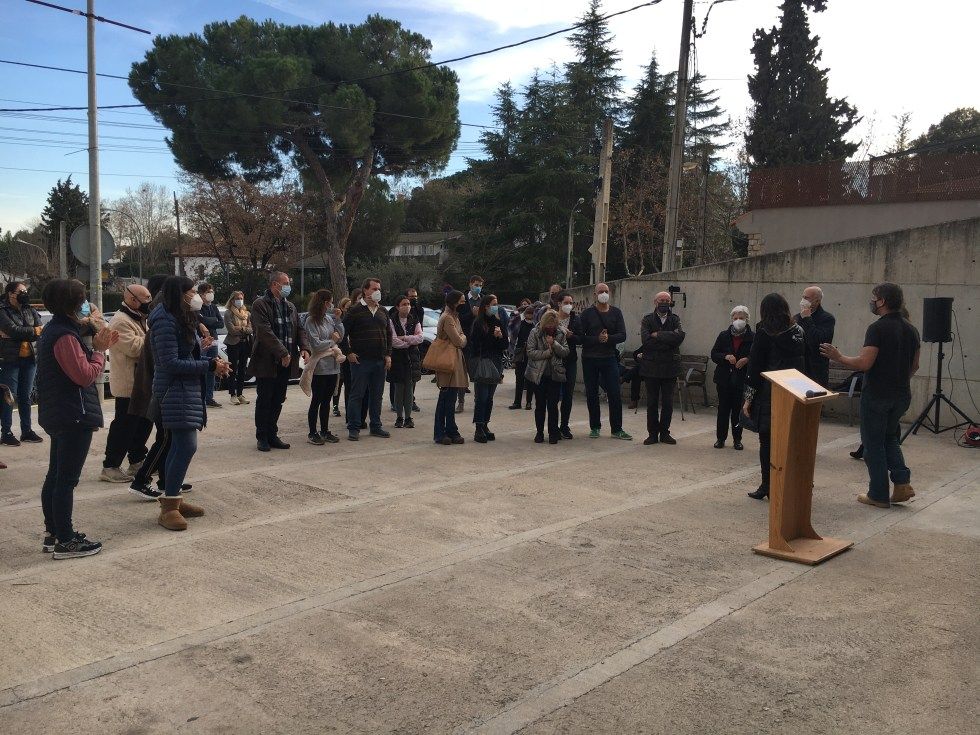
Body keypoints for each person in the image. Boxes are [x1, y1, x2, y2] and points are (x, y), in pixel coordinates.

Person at [36, 278, 118, 559]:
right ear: (74, 304)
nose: (88, 304)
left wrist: (93, 324)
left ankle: (53, 533)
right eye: (84, 300)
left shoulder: (56, 328)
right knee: (65, 480)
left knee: (56, 475)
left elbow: (84, 326)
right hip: (72, 414)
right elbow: (83, 375)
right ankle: (66, 540)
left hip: (59, 412)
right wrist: (99, 351)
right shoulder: (64, 337)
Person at [819, 283, 920, 509]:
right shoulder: (911, 329)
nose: (871, 301)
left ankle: (878, 494)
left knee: (873, 444)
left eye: (874, 297)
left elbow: (865, 363)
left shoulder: (877, 328)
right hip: (902, 394)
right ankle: (902, 484)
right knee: (889, 438)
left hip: (877, 395)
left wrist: (838, 356)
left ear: (882, 301)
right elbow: (915, 365)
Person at [148, 276, 230, 530]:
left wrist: (204, 353)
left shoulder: (178, 315)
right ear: (178, 293)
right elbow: (169, 362)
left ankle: (172, 499)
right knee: (185, 445)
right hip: (174, 390)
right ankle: (169, 506)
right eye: (191, 291)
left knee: (180, 446)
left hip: (185, 390)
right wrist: (209, 364)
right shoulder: (164, 319)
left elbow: (182, 353)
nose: (196, 296)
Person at [742, 293, 806, 500]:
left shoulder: (764, 333)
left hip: (770, 392)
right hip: (795, 389)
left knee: (767, 442)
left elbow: (755, 366)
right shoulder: (798, 331)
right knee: (791, 441)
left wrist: (748, 398)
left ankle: (767, 485)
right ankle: (790, 483)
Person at [100, 284, 154, 483]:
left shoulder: (141, 318)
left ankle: (137, 460)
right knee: (124, 426)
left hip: (144, 381)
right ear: (133, 300)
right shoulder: (120, 321)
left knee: (144, 423)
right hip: (128, 384)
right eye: (146, 298)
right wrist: (153, 336)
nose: (149, 302)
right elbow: (134, 348)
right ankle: (110, 465)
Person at [251, 272, 306, 452]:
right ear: (274, 285)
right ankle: (262, 436)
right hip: (267, 361)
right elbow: (264, 331)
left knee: (278, 399)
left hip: (286, 361)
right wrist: (282, 352)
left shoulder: (290, 306)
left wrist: (304, 347)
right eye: (285, 283)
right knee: (265, 398)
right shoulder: (260, 304)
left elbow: (298, 328)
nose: (288, 286)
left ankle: (272, 434)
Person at [579, 283, 632, 440]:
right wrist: (597, 339)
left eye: (606, 291)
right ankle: (595, 427)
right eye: (600, 291)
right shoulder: (587, 314)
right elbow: (581, 337)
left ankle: (617, 429)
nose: (603, 294)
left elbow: (622, 335)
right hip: (590, 358)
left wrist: (609, 338)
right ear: (595, 295)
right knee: (592, 393)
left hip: (609, 358)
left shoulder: (616, 313)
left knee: (615, 393)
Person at [342, 277, 391, 441]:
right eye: (374, 288)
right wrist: (348, 352)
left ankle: (376, 426)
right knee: (357, 395)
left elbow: (389, 334)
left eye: (379, 289)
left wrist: (388, 354)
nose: (378, 291)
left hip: (379, 361)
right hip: (361, 361)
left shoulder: (383, 311)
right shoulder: (355, 310)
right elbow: (342, 333)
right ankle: (354, 427)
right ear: (365, 290)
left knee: (377, 395)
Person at [0, 281, 44, 446]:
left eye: (26, 290)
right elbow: (13, 330)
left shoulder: (29, 309)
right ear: (11, 294)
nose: (25, 293)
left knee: (26, 396)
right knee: (9, 397)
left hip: (30, 359)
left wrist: (26, 333)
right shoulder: (2, 310)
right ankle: (6, 433)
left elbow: (41, 330)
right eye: (21, 291)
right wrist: (33, 331)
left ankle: (26, 431)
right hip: (10, 359)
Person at [639, 291, 686, 446]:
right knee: (652, 402)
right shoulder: (647, 319)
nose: (664, 302)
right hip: (651, 367)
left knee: (668, 403)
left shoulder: (675, 319)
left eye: (667, 300)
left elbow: (679, 338)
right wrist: (668, 338)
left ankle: (665, 433)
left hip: (670, 368)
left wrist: (657, 334)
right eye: (661, 300)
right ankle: (652, 434)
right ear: (655, 301)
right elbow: (646, 341)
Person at [301, 289, 345, 444]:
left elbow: (340, 335)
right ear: (325, 303)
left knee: (327, 400)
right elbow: (316, 344)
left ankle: (325, 430)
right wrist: (332, 341)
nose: (332, 304)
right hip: (320, 365)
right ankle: (312, 432)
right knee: (317, 400)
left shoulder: (329, 318)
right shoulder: (310, 320)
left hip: (333, 365)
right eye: (330, 301)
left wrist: (338, 320)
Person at [710, 306, 753, 450]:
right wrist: (725, 357)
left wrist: (747, 359)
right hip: (724, 379)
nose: (738, 321)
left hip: (742, 379)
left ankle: (737, 439)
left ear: (746, 319)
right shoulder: (724, 335)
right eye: (735, 318)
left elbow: (758, 356)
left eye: (741, 318)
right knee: (723, 410)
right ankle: (720, 439)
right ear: (731, 319)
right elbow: (714, 354)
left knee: (737, 411)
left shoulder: (753, 337)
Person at [525, 309, 569, 444]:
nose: (551, 327)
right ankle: (539, 432)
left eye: (553, 324)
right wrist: (546, 353)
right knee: (540, 405)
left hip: (555, 375)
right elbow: (530, 352)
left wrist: (554, 344)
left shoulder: (561, 333)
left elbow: (566, 351)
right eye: (549, 324)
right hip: (539, 375)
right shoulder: (535, 332)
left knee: (553, 405)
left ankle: (553, 433)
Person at [469, 294, 508, 443]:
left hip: (496, 362)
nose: (495, 306)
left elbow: (504, 345)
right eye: (493, 304)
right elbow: (478, 345)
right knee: (482, 397)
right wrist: (493, 336)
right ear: (485, 306)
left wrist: (499, 337)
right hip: (483, 362)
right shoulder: (478, 323)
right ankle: (478, 427)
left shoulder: (498, 322)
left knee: (490, 397)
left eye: (496, 303)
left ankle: (485, 424)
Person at [433, 290, 468, 445]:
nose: (464, 304)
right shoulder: (448, 318)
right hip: (448, 361)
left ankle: (450, 431)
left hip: (453, 360)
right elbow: (459, 340)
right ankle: (443, 433)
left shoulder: (454, 316)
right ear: (454, 302)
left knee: (449, 398)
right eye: (461, 301)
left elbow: (460, 337)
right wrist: (463, 337)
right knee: (446, 399)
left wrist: (461, 337)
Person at [388, 295, 423, 429]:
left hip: (411, 359)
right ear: (397, 306)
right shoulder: (392, 321)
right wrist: (409, 342)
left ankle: (408, 417)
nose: (407, 306)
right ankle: (399, 417)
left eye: (408, 304)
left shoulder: (414, 320)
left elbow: (420, 338)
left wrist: (405, 338)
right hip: (398, 358)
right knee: (399, 388)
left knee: (409, 389)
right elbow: (394, 341)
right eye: (404, 304)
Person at [794, 285, 835, 388]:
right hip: (798, 369)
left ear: (817, 301)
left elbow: (817, 340)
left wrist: (808, 319)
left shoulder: (827, 318)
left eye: (807, 298)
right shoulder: (797, 318)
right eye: (803, 297)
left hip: (816, 371)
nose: (803, 300)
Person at [556, 292, 582, 439]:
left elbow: (580, 338)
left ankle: (564, 425)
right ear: (559, 303)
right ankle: (553, 426)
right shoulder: (552, 318)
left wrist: (572, 336)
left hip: (570, 360)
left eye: (571, 302)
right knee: (554, 395)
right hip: (554, 360)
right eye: (566, 302)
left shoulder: (576, 319)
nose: (569, 305)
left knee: (568, 395)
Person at [196, 282, 223, 408]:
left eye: (212, 291)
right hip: (203, 340)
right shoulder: (198, 307)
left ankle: (209, 397)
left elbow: (221, 323)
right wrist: (211, 321)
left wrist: (207, 321)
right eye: (208, 292)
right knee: (201, 367)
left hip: (214, 340)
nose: (211, 294)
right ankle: (200, 397)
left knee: (212, 368)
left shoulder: (214, 307)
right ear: (201, 294)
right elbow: (201, 321)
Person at [222, 290, 252, 405]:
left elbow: (251, 329)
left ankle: (240, 393)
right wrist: (244, 329)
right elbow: (231, 330)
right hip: (233, 344)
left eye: (241, 298)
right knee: (233, 368)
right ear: (232, 300)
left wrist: (240, 328)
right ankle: (232, 394)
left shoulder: (247, 313)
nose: (239, 300)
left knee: (242, 369)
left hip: (245, 343)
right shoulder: (228, 313)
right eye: (237, 298)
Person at [508, 304, 535, 410]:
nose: (529, 315)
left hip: (532, 356)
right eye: (527, 313)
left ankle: (529, 402)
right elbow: (514, 337)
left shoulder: (535, 326)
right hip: (521, 355)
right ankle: (517, 402)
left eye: (531, 313)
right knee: (519, 380)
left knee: (530, 381)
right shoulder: (520, 324)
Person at [333, 296, 353, 418]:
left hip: (349, 355)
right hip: (340, 354)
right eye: (348, 307)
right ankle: (335, 405)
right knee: (339, 382)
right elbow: (339, 337)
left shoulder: (352, 318)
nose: (349, 310)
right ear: (343, 308)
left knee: (348, 383)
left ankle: (348, 409)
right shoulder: (340, 320)